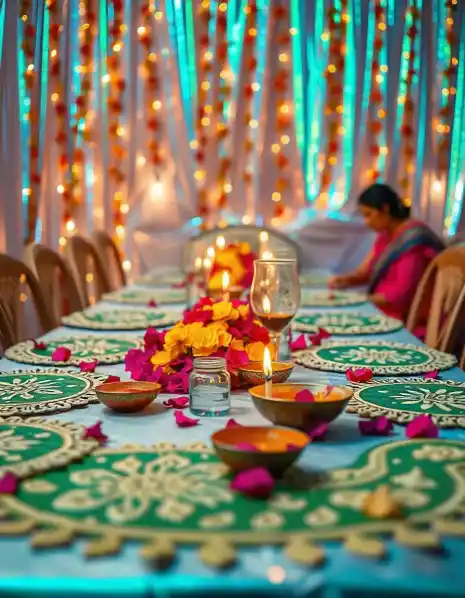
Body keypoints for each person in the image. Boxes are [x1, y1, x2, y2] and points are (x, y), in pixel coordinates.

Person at [329, 183, 445, 323]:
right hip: (381, 312)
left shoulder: (414, 241)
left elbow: (400, 296)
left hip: (407, 321)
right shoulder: (385, 235)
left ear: (385, 209)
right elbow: (366, 271)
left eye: (369, 215)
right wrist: (345, 280)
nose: (366, 222)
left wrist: (355, 299)